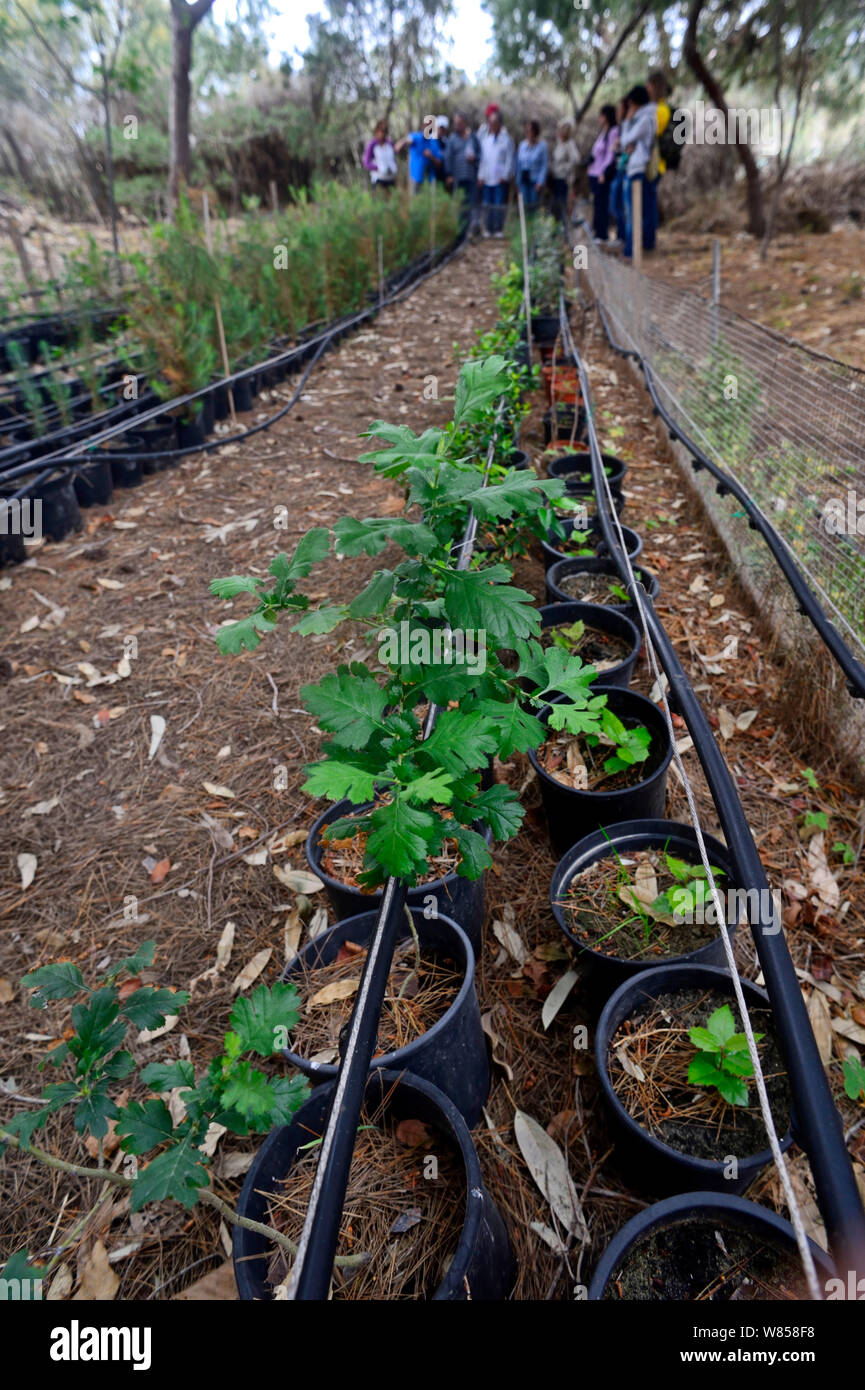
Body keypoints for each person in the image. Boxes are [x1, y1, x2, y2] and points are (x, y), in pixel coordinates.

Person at [620, 84, 657, 260]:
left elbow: (626, 140)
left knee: (633, 213)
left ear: (635, 103)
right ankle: (632, 249)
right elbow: (625, 143)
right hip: (633, 169)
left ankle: (631, 250)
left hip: (637, 169)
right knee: (632, 212)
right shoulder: (643, 118)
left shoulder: (644, 119)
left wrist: (627, 120)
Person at [477, 103, 514, 238]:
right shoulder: (484, 138)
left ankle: (498, 229)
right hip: (486, 177)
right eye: (490, 122)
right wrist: (480, 176)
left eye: (495, 122)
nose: (493, 125)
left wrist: (505, 175)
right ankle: (488, 229)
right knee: (487, 204)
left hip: (499, 178)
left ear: (499, 123)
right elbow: (481, 159)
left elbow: (510, 159)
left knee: (499, 204)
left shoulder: (506, 139)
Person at [444, 110, 481, 233]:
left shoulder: (473, 137)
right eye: (455, 123)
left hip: (471, 177)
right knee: (460, 205)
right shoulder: (452, 139)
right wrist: (449, 174)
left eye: (459, 123)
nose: (456, 126)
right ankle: (461, 231)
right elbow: (448, 157)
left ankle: (472, 231)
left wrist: (475, 158)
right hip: (457, 178)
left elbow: (480, 155)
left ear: (465, 123)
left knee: (471, 204)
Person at [646, 72, 672, 246]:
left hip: (655, 166)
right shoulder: (654, 108)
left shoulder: (661, 110)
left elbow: (650, 133)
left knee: (648, 203)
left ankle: (648, 241)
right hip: (650, 165)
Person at [587, 104, 618, 242]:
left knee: (603, 205)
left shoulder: (613, 131)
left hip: (602, 175)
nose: (599, 118)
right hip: (594, 173)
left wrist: (604, 172)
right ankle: (598, 233)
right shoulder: (603, 132)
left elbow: (610, 155)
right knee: (597, 205)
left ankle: (602, 234)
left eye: (601, 115)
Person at [395, 122, 445, 193]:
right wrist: (401, 144)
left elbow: (439, 163)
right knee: (415, 200)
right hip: (415, 178)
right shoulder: (416, 137)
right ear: (422, 127)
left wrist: (431, 156)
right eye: (426, 126)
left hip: (429, 180)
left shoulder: (434, 142)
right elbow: (407, 140)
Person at [550, 118, 579, 228]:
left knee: (563, 204)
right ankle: (557, 226)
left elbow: (575, 159)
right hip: (556, 178)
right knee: (556, 204)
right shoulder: (559, 143)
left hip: (564, 179)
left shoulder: (570, 144)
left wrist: (564, 168)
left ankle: (564, 227)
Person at [516, 119, 548, 214]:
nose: (528, 133)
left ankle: (534, 226)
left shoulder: (542, 146)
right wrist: (517, 182)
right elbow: (518, 164)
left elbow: (544, 165)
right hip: (523, 180)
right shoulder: (522, 145)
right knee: (524, 206)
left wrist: (540, 182)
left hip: (535, 181)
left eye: (530, 130)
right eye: (527, 130)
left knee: (534, 206)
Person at [608, 97, 629, 243]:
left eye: (619, 108)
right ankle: (621, 237)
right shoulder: (621, 127)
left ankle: (624, 238)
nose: (617, 111)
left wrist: (619, 144)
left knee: (620, 206)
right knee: (615, 205)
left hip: (625, 170)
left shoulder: (628, 126)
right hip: (618, 169)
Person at [362, 118, 398, 193]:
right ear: (377, 131)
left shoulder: (389, 143)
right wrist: (378, 168)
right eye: (381, 131)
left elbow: (393, 158)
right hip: (378, 179)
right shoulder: (372, 145)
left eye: (385, 131)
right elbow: (366, 162)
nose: (383, 134)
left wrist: (393, 167)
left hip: (391, 178)